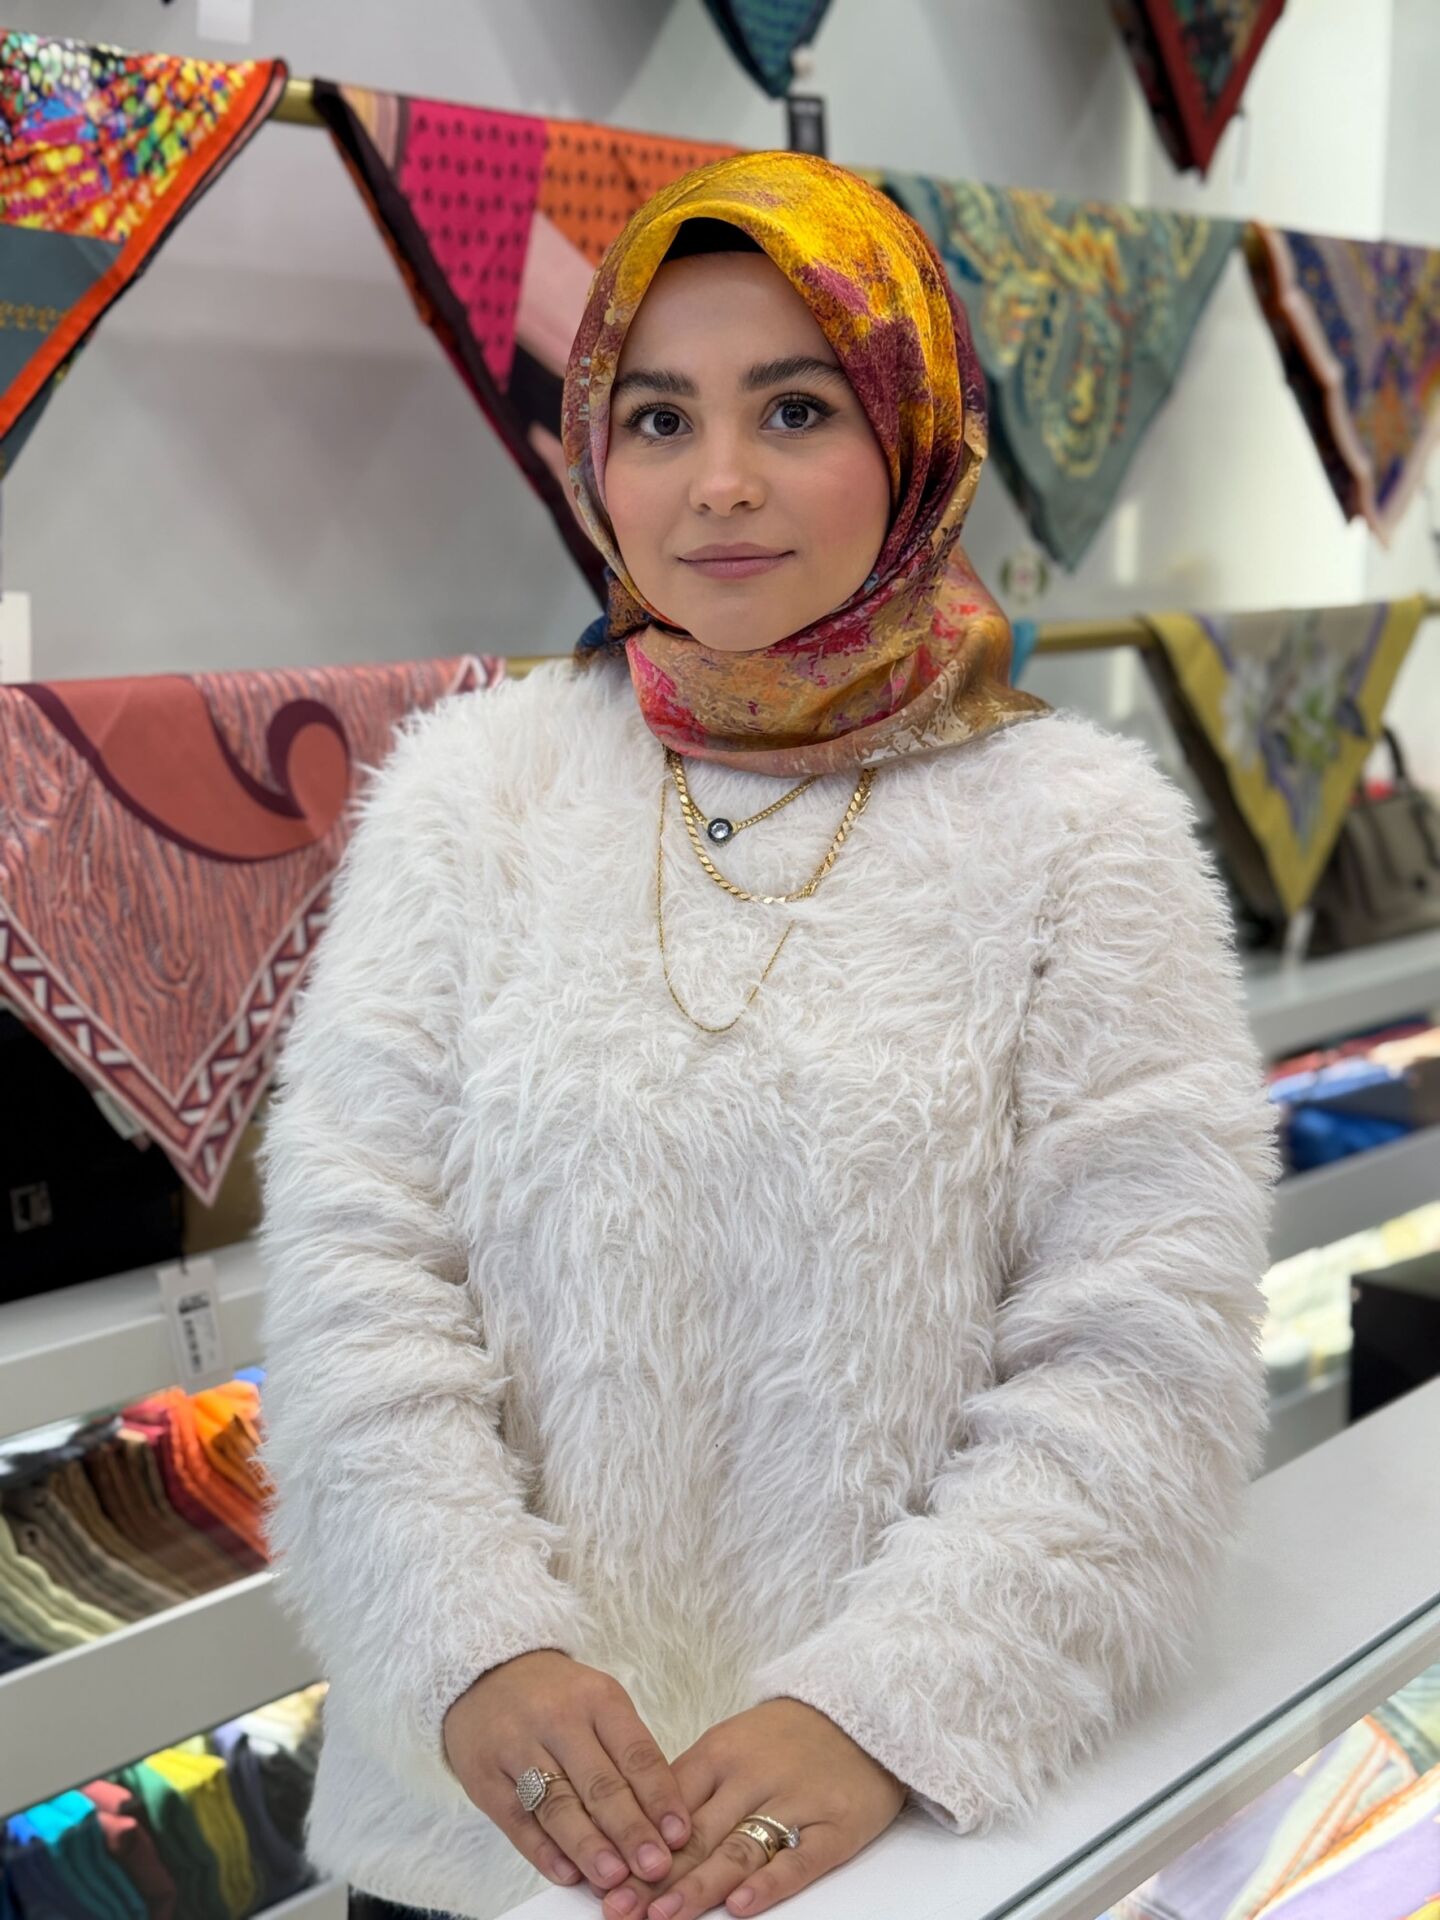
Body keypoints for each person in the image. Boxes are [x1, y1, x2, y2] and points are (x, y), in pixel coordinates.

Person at [257, 151, 1282, 1920]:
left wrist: (884, 1706)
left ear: (915, 434)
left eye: (795, 409)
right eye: (658, 419)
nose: (718, 483)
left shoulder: (1078, 835)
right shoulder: (474, 793)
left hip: (894, 1847)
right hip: (492, 1838)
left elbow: (1142, 1355)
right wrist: (471, 1641)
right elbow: (358, 1273)